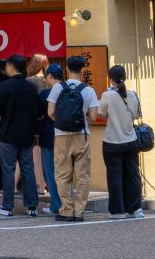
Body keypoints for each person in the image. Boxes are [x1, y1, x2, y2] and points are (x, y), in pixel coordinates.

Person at [47, 55, 101, 222]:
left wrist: (62, 122)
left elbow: (50, 113)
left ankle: (66, 210)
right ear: (82, 70)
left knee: (62, 175)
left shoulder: (57, 88)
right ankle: (79, 211)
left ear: (67, 69)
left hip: (61, 136)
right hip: (81, 135)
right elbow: (93, 116)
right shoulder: (89, 90)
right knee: (82, 175)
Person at [0, 54, 39, 217]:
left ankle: (7, 206)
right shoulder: (31, 87)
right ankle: (31, 206)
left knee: (8, 170)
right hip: (27, 134)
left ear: (11, 67)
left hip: (7, 134)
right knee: (28, 169)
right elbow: (38, 112)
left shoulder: (4, 87)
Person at [99, 65, 144, 219]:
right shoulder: (133, 95)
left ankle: (118, 211)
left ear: (111, 78)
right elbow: (137, 115)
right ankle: (136, 208)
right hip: (131, 140)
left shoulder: (107, 95)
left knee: (115, 177)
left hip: (112, 141)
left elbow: (102, 114)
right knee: (133, 175)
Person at [37, 64, 64, 216]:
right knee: (66, 170)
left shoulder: (45, 94)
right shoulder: (70, 90)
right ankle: (70, 203)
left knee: (50, 171)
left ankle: (56, 205)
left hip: (49, 136)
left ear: (49, 76)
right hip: (69, 136)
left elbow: (39, 115)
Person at [25, 53, 49, 199]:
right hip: (47, 121)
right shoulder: (48, 81)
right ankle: (42, 185)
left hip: (30, 121)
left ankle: (15, 184)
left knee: (28, 153)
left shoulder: (28, 81)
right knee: (40, 153)